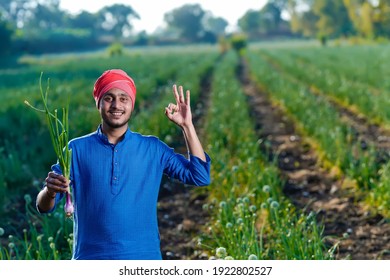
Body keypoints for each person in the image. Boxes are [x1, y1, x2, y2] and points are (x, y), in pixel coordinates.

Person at [36, 69, 211, 260]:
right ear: (99, 104)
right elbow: (44, 206)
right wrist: (50, 191)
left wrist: (187, 126)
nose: (116, 105)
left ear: (132, 105)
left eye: (123, 98)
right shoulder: (76, 149)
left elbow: (200, 176)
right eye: (109, 98)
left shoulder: (152, 148)